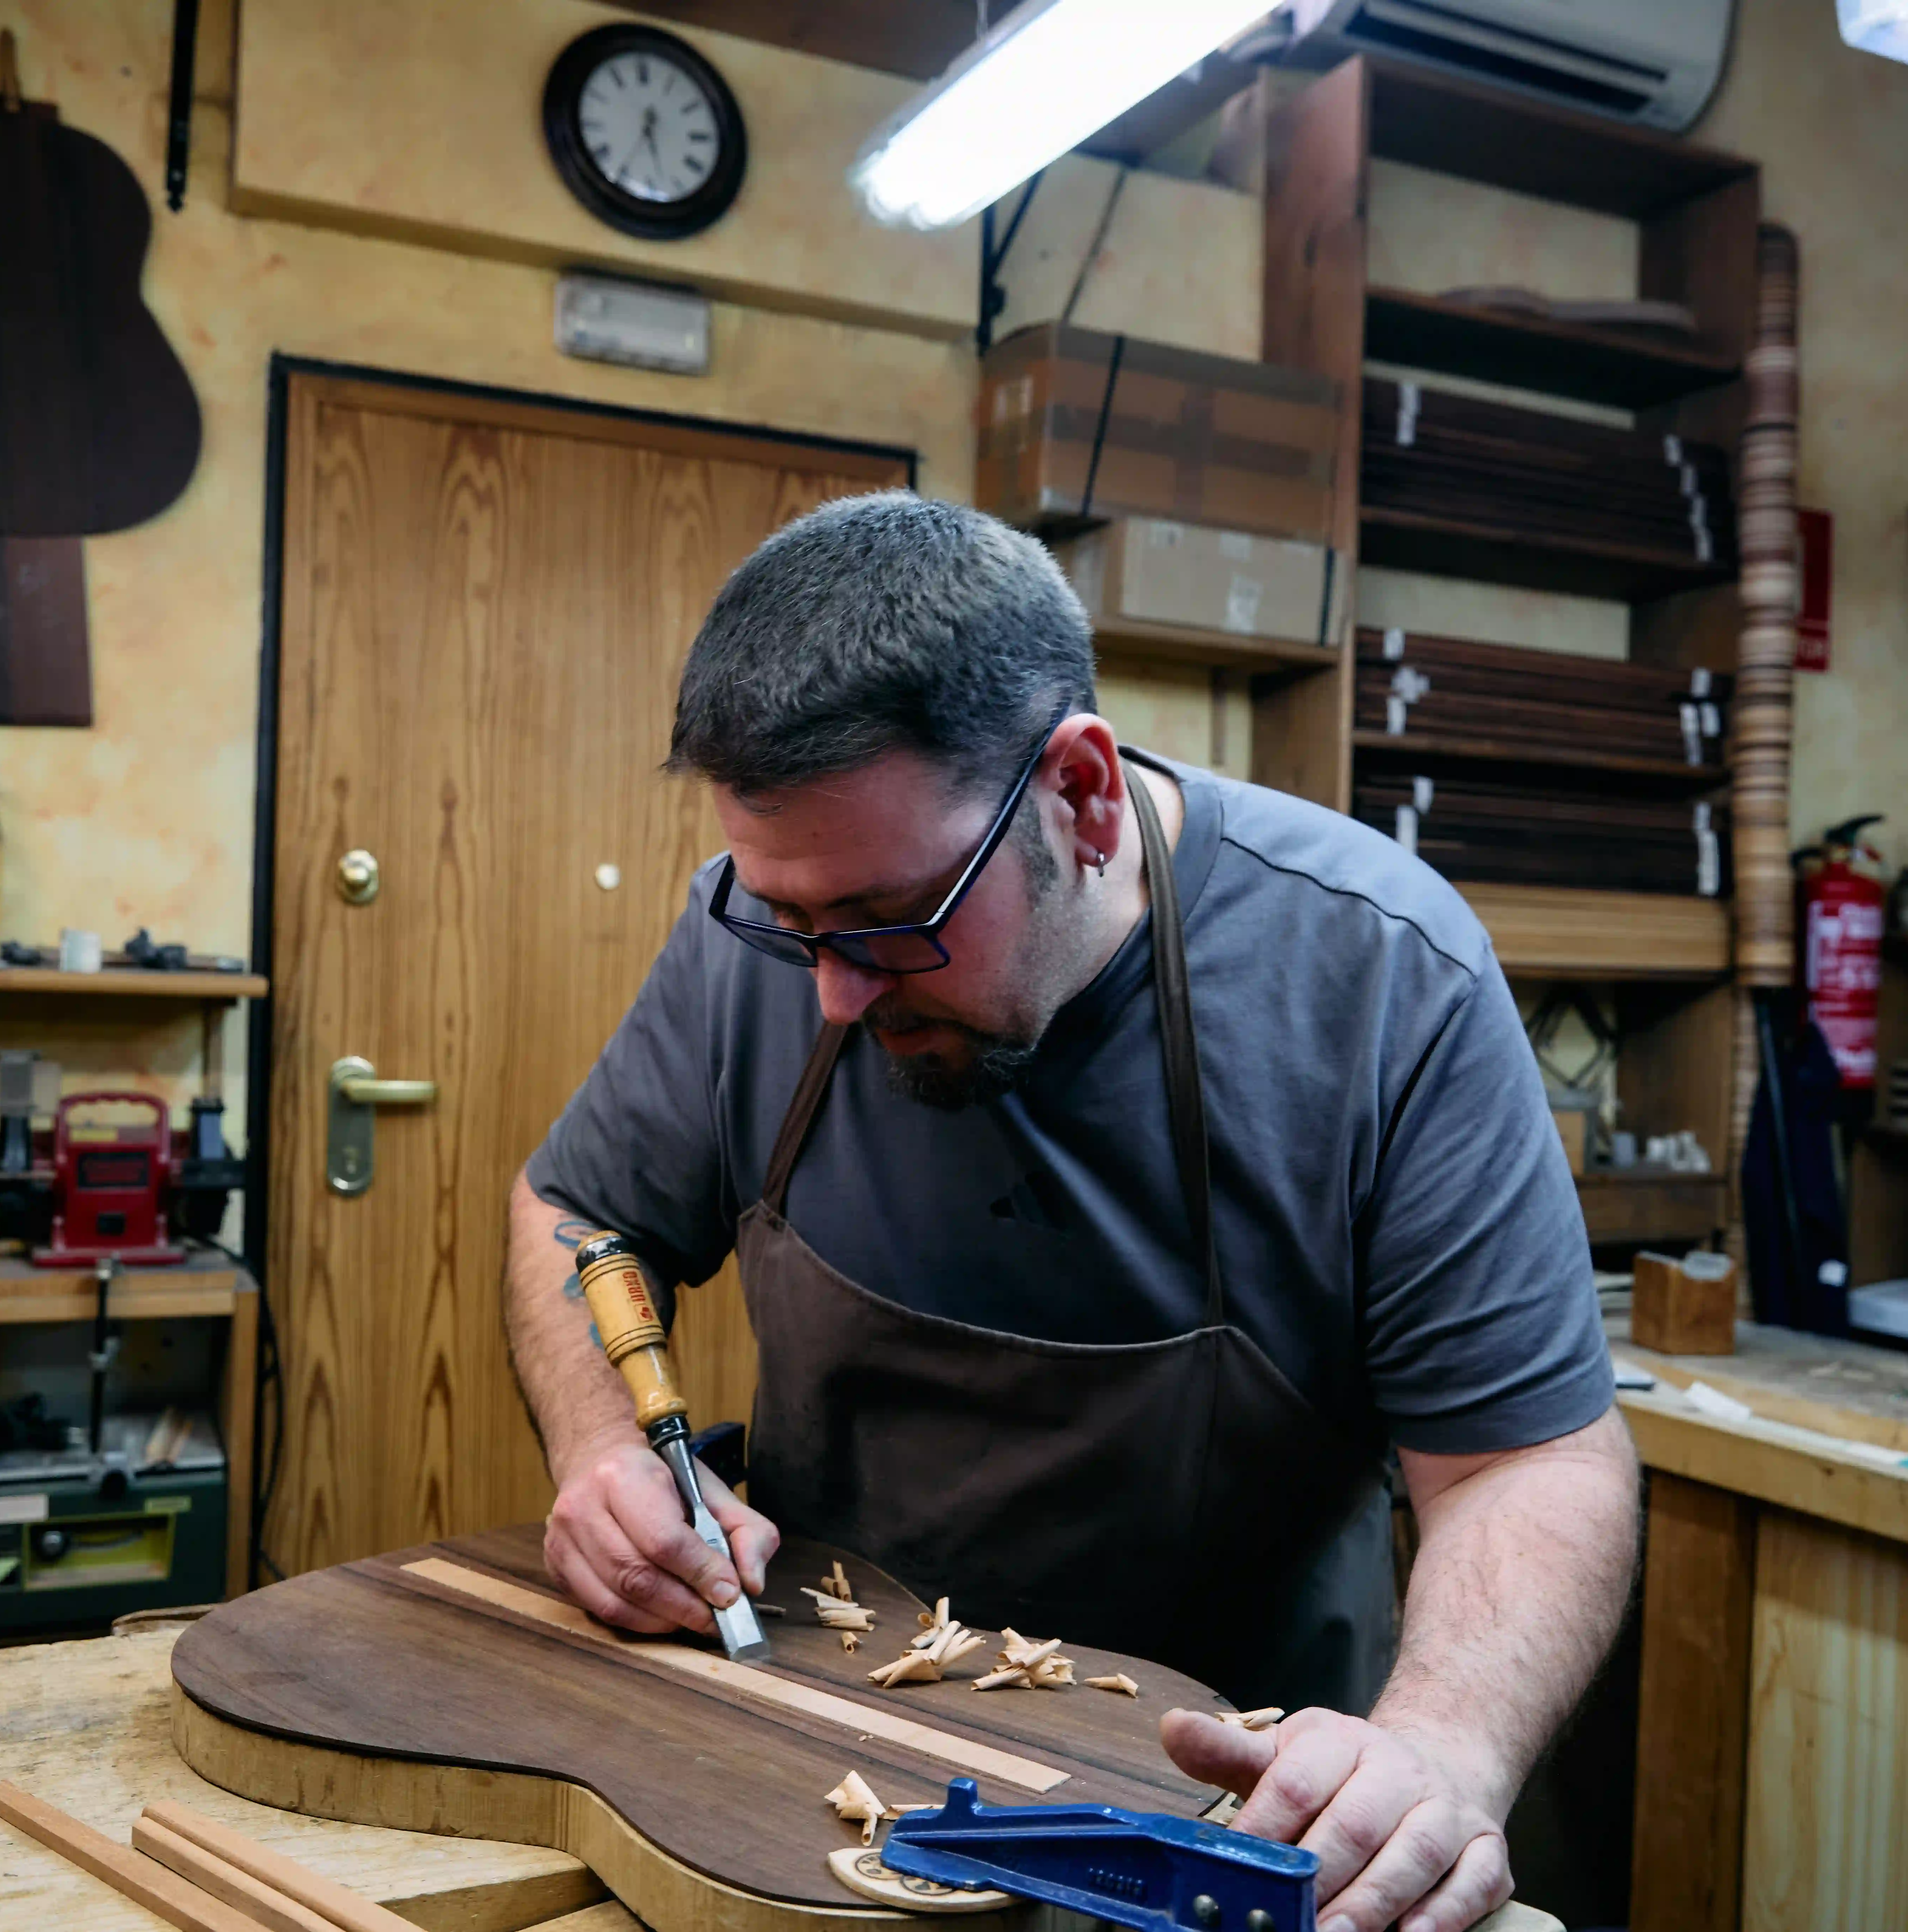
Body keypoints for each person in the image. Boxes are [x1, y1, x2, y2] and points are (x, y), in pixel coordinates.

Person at [505, 493, 1638, 1932]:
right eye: (791, 926)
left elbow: (1521, 1463)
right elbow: (573, 1209)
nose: (831, 993)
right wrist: (606, 1450)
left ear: (1081, 792)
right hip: (831, 1783)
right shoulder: (775, 928)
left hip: (1222, 1824)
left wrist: (1440, 1746)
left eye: (888, 921)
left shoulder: (1377, 979)